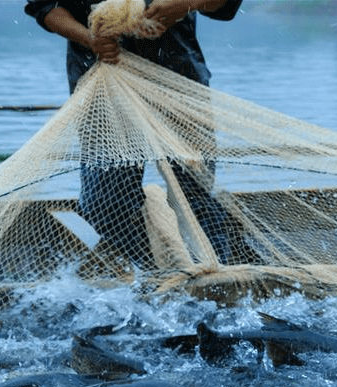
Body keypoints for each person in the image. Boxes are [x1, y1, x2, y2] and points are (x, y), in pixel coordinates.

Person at [25, 0, 245, 268]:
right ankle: (141, 278)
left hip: (177, 78)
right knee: (106, 205)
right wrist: (90, 38)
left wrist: (184, 4)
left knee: (194, 195)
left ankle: (212, 281)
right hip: (101, 80)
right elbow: (46, 6)